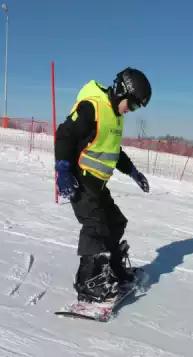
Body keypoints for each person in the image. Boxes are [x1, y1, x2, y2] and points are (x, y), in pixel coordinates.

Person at [54, 67, 152, 303]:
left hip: (97, 184)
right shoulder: (92, 107)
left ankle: (114, 271)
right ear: (121, 92)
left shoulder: (115, 117)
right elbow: (64, 134)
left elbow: (113, 151)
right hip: (80, 179)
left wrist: (133, 172)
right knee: (95, 227)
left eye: (137, 107)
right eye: (133, 104)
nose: (132, 110)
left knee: (116, 222)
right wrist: (62, 169)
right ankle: (87, 282)